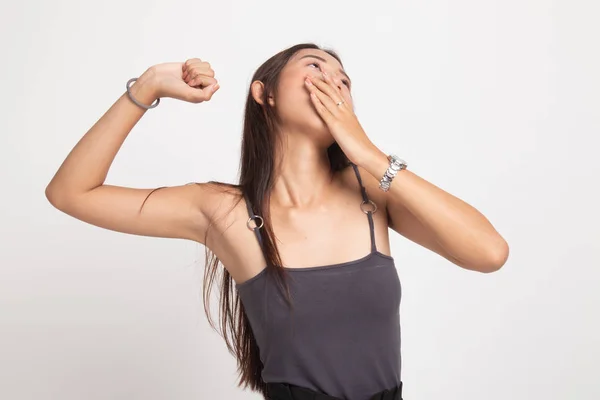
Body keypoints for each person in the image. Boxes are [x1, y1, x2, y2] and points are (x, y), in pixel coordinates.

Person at [45, 43, 509, 400]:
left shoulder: (373, 193)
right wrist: (147, 85)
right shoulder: (222, 211)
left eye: (344, 81)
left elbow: (489, 253)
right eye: (314, 67)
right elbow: (70, 193)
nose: (333, 83)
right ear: (263, 93)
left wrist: (368, 154)